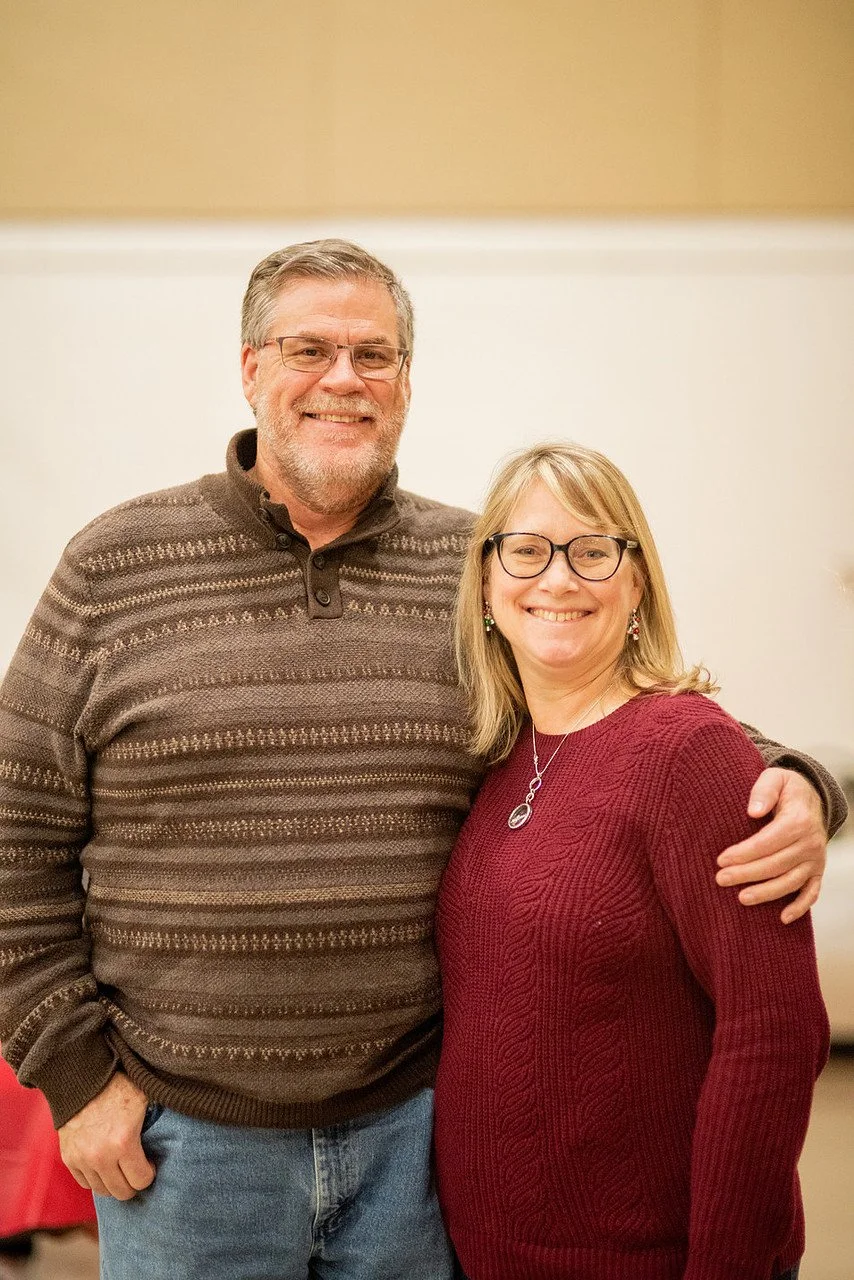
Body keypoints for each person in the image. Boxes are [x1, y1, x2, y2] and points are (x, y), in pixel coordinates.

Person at [0, 240, 843, 1280]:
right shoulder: (114, 565)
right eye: (310, 348)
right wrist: (75, 1074)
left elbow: (606, 711)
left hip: (416, 1147)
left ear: (406, 381)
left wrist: (796, 777)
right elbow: (14, 836)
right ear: (250, 367)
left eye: (376, 354)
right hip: (188, 1146)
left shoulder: (470, 566)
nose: (344, 379)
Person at [434, 441, 830, 1280]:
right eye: (529, 549)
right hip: (485, 1254)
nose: (559, 579)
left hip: (644, 1257)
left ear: (637, 580)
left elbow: (773, 1032)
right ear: (487, 587)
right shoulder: (504, 757)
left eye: (593, 550)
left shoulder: (690, 750)